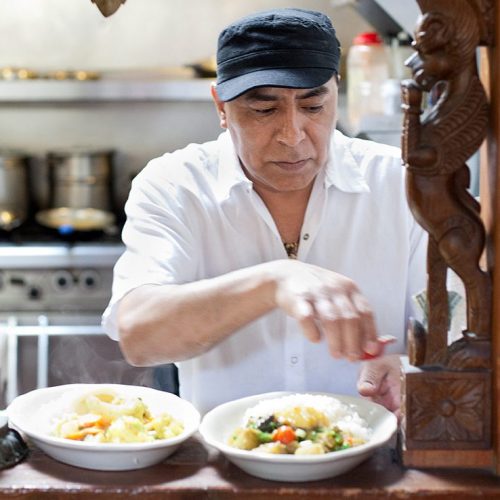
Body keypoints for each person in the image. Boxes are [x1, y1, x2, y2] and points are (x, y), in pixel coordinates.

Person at [102, 8, 427, 416]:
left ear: (336, 93)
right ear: (221, 106)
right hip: (223, 467)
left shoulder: (401, 183)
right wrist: (274, 280)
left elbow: (456, 333)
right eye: (264, 110)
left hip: (374, 460)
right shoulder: (175, 184)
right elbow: (138, 335)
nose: (292, 136)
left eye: (312, 106)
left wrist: (410, 369)